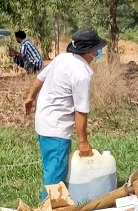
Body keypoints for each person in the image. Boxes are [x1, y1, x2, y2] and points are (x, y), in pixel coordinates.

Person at [23, 28, 106, 199]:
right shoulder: (81, 74)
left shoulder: (63, 58)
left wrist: (30, 98)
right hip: (56, 127)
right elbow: (81, 111)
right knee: (55, 176)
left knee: (51, 166)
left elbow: (40, 77)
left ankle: (53, 204)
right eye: (96, 49)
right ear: (90, 52)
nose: (98, 52)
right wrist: (83, 141)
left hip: (43, 119)